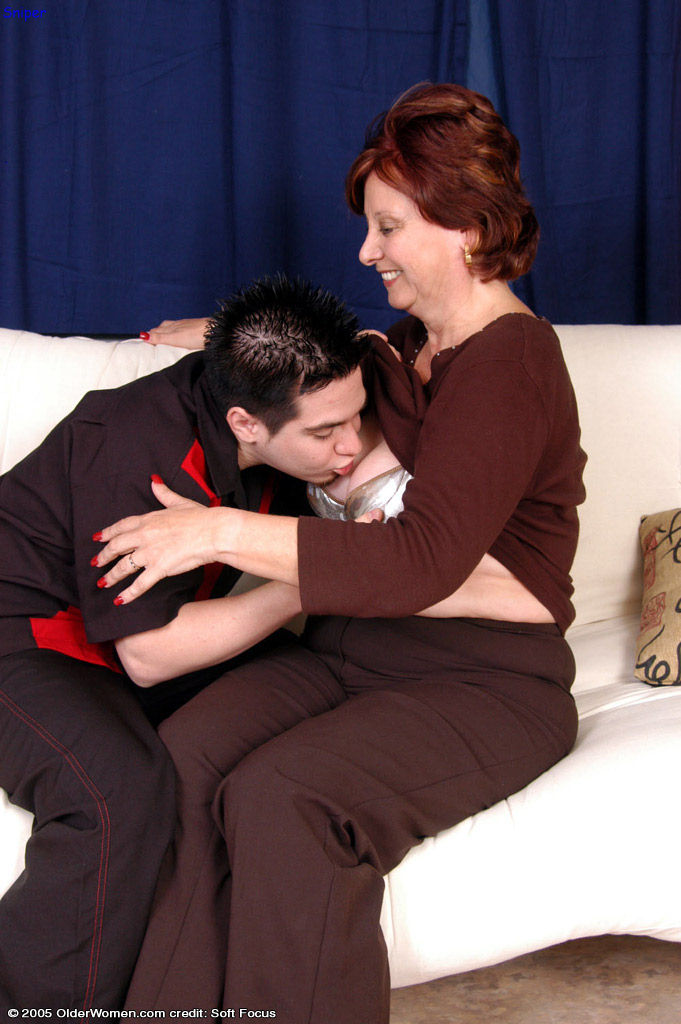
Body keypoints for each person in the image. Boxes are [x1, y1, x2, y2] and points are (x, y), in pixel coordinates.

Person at [93, 83, 587, 1021]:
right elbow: (333, 369)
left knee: (284, 798)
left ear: (466, 229)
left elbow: (422, 559)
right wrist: (231, 346)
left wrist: (217, 530)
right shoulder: (408, 346)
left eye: (388, 227)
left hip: (484, 682)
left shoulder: (511, 363)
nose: (367, 250)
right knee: (180, 762)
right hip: (346, 652)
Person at [0, 275, 380, 1011]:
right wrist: (313, 577)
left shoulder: (274, 391)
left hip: (122, 644)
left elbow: (372, 348)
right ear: (245, 423)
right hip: (27, 635)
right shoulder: (134, 445)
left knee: (311, 685)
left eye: (355, 417)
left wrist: (215, 331)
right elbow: (150, 656)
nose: (351, 443)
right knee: (119, 791)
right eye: (324, 433)